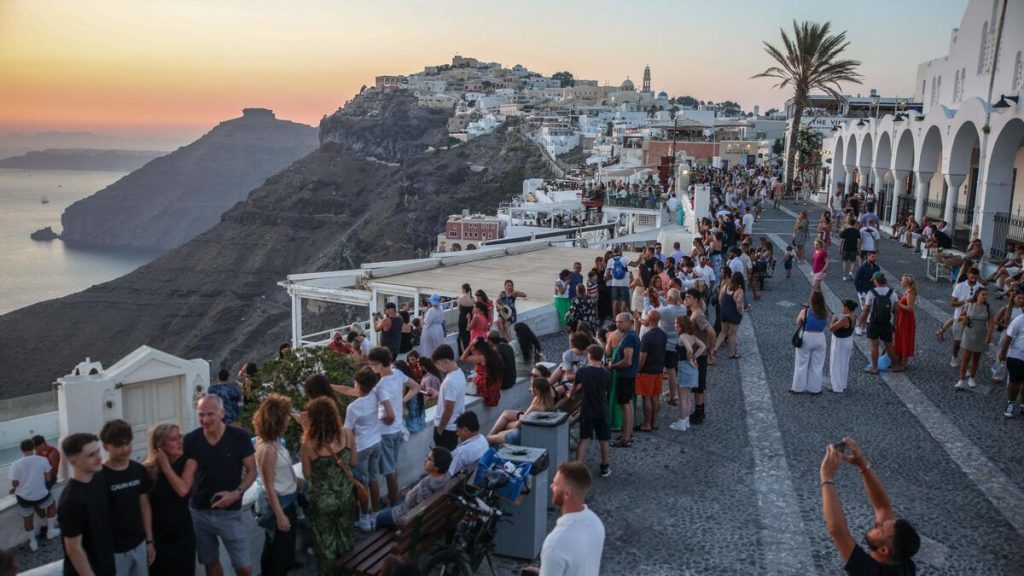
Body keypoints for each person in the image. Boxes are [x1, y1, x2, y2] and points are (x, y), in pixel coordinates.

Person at [820, 437, 920, 574]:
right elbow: (882, 506)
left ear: (883, 550)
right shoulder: (902, 561)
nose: (876, 524)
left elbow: (837, 529)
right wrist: (862, 463)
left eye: (880, 529)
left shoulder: (870, 572)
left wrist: (826, 476)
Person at [184, 394, 257, 576]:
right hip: (200, 511)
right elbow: (187, 476)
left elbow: (252, 471)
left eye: (210, 414)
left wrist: (236, 493)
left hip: (230, 513)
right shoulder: (191, 440)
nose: (205, 420)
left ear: (222, 413)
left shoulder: (239, 437)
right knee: (210, 563)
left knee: (244, 567)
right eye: (201, 415)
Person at [300, 397, 357, 576]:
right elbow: (354, 462)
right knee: (346, 535)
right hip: (347, 495)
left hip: (322, 500)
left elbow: (307, 474)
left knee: (326, 543)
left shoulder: (308, 445)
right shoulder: (347, 433)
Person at [521, 462, 605, 576]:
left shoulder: (555, 543)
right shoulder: (596, 522)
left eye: (555, 483)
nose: (551, 486)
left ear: (567, 493)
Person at [97, 419, 154, 576]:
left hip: (139, 544)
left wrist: (149, 541)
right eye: (118, 445)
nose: (125, 449)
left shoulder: (138, 470)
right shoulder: (99, 477)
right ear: (105, 447)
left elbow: (145, 507)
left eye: (127, 443)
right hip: (113, 551)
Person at [253, 395, 300, 576]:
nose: (288, 421)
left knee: (278, 551)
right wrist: (280, 516)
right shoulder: (268, 449)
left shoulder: (273, 443)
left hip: (286, 501)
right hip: (279, 505)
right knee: (279, 555)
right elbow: (269, 486)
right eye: (286, 417)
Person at [59, 433, 115, 576]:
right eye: (91, 455)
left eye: (98, 452)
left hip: (106, 565)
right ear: (73, 461)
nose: (99, 458)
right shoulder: (71, 501)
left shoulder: (99, 480)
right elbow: (74, 549)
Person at [144, 424, 196, 576]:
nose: (180, 442)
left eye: (180, 437)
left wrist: (166, 467)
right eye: (174, 439)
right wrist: (149, 540)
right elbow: (144, 505)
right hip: (158, 535)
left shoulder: (188, 462)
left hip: (181, 533)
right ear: (159, 445)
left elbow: (182, 490)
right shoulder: (147, 470)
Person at [375, 447, 453, 529]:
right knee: (394, 504)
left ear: (437, 467)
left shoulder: (428, 485)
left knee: (378, 517)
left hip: (407, 517)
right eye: (427, 456)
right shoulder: (446, 476)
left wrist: (409, 496)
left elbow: (418, 508)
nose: (425, 460)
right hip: (430, 516)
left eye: (429, 459)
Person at [345, 368, 384, 530]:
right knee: (374, 479)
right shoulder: (375, 396)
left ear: (358, 385)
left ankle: (364, 517)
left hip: (361, 447)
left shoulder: (353, 408)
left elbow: (348, 431)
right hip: (377, 443)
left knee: (362, 483)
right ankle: (376, 513)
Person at [9, 438, 58, 552]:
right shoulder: (43, 460)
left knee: (27, 518)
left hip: (24, 497)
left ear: (21, 450)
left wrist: (13, 488)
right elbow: (48, 478)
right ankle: (50, 531)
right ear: (33, 447)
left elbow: (14, 483)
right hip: (41, 495)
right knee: (51, 504)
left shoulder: (15, 464)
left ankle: (33, 542)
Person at [573, 345, 612, 478]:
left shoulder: (582, 372)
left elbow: (575, 388)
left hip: (586, 408)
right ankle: (605, 466)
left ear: (589, 356)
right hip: (601, 408)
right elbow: (607, 389)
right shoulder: (606, 373)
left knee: (584, 438)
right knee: (604, 439)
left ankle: (577, 467)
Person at [487, 377, 555, 445]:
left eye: (531, 387)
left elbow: (517, 425)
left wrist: (509, 424)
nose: (529, 389)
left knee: (499, 431)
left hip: (524, 434)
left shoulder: (535, 407)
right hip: (534, 430)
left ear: (536, 390)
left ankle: (487, 440)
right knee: (506, 414)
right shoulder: (548, 402)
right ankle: (489, 438)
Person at [608, 312, 639, 448]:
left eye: (621, 322)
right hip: (629, 376)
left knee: (625, 406)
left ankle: (626, 438)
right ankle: (629, 433)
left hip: (624, 376)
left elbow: (627, 361)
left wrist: (613, 365)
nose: (618, 324)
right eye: (617, 321)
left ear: (629, 322)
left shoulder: (628, 338)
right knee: (629, 405)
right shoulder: (632, 336)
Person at [670, 316, 707, 431]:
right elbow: (703, 346)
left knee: (682, 398)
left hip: (685, 367)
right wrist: (695, 357)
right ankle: (686, 421)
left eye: (676, 323)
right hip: (693, 369)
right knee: (688, 398)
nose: (674, 325)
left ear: (682, 325)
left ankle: (682, 422)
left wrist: (690, 359)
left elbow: (689, 350)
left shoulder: (683, 336)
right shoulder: (692, 336)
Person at [860, 273, 899, 375]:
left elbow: (866, 310)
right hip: (887, 323)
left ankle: (874, 368)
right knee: (889, 345)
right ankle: (896, 366)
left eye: (874, 280)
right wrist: (895, 324)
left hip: (873, 322)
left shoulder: (871, 293)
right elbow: (896, 310)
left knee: (874, 345)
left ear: (877, 281)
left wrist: (861, 322)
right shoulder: (893, 293)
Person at [792, 291, 830, 394]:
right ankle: (815, 389)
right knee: (817, 364)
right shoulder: (825, 312)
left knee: (801, 363)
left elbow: (798, 322)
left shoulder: (806, 311)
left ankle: (797, 388)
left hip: (806, 337)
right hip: (820, 338)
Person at [955, 288, 993, 390]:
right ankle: (962, 379)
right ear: (977, 295)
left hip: (981, 334)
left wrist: (989, 335)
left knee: (976, 358)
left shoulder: (988, 308)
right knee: (966, 358)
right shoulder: (969, 305)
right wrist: (964, 318)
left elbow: (990, 323)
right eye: (983, 294)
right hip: (969, 333)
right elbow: (960, 317)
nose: (985, 297)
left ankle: (972, 378)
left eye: (986, 295)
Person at [431, 345, 467, 451]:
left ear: (446, 361)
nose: (438, 367)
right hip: (454, 426)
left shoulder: (450, 381)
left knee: (443, 463)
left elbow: (448, 410)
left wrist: (440, 429)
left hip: (446, 429)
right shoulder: (459, 373)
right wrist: (438, 394)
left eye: (438, 364)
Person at [636, 309, 667, 432]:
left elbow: (642, 357)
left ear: (650, 319)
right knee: (655, 397)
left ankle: (647, 423)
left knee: (646, 397)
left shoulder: (647, 337)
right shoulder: (663, 335)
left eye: (647, 316)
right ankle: (654, 422)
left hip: (647, 370)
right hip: (658, 369)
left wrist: (638, 370)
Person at [461, 337, 503, 407]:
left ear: (479, 349)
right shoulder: (494, 354)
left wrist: (469, 346)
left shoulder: (481, 358)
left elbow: (463, 358)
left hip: (485, 386)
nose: (472, 351)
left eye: (473, 349)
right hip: (493, 385)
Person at [828, 300, 858, 393]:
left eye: (843, 306)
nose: (842, 308)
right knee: (844, 363)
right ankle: (842, 383)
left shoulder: (845, 319)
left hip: (839, 342)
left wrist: (833, 320)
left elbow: (831, 328)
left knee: (836, 363)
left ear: (847, 307)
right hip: (848, 340)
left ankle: (836, 386)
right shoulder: (854, 316)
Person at [714, 272, 745, 360]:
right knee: (732, 334)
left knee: (723, 332)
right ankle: (732, 353)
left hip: (723, 312)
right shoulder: (739, 291)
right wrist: (740, 312)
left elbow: (720, 297)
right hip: (733, 313)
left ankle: (715, 349)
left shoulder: (726, 286)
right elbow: (738, 304)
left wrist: (723, 308)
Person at [448, 412, 489, 478]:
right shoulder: (483, 439)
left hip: (461, 484)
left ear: (465, 430)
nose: (457, 434)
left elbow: (450, 474)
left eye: (458, 430)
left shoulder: (462, 451)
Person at [891, 275, 918, 372]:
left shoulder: (910, 293)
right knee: (901, 338)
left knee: (905, 339)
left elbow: (910, 309)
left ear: (907, 282)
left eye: (902, 280)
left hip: (907, 319)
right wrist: (898, 298)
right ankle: (900, 359)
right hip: (903, 318)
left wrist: (899, 304)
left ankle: (904, 363)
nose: (901, 282)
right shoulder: (907, 292)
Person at [853, 252, 881, 335]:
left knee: (868, 310)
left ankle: (863, 326)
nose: (874, 258)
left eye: (875, 257)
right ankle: (858, 326)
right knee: (866, 310)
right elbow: (856, 281)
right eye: (872, 257)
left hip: (873, 291)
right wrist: (860, 293)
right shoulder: (862, 268)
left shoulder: (877, 268)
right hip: (864, 292)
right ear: (867, 257)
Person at [605, 247, 631, 318]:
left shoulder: (610, 260)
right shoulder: (625, 258)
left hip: (614, 284)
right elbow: (634, 264)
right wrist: (640, 258)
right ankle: (622, 318)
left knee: (614, 301)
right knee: (623, 301)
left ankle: (614, 318)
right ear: (620, 251)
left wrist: (612, 276)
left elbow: (606, 275)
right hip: (624, 284)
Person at [457, 283, 475, 353]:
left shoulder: (461, 299)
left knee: (462, 335)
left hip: (462, 318)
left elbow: (459, 309)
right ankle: (470, 350)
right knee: (469, 334)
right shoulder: (473, 298)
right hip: (470, 317)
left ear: (463, 289)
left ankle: (464, 352)